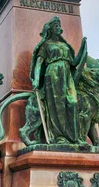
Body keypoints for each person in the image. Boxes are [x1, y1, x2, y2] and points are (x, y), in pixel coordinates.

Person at [30, 16, 87, 144]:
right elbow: (39, 63)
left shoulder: (64, 45)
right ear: (50, 29)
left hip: (67, 74)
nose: (58, 28)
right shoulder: (46, 45)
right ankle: (59, 136)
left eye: (59, 25)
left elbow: (74, 62)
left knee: (72, 102)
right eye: (56, 26)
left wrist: (82, 48)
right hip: (53, 74)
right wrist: (36, 79)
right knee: (57, 105)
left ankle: (74, 136)